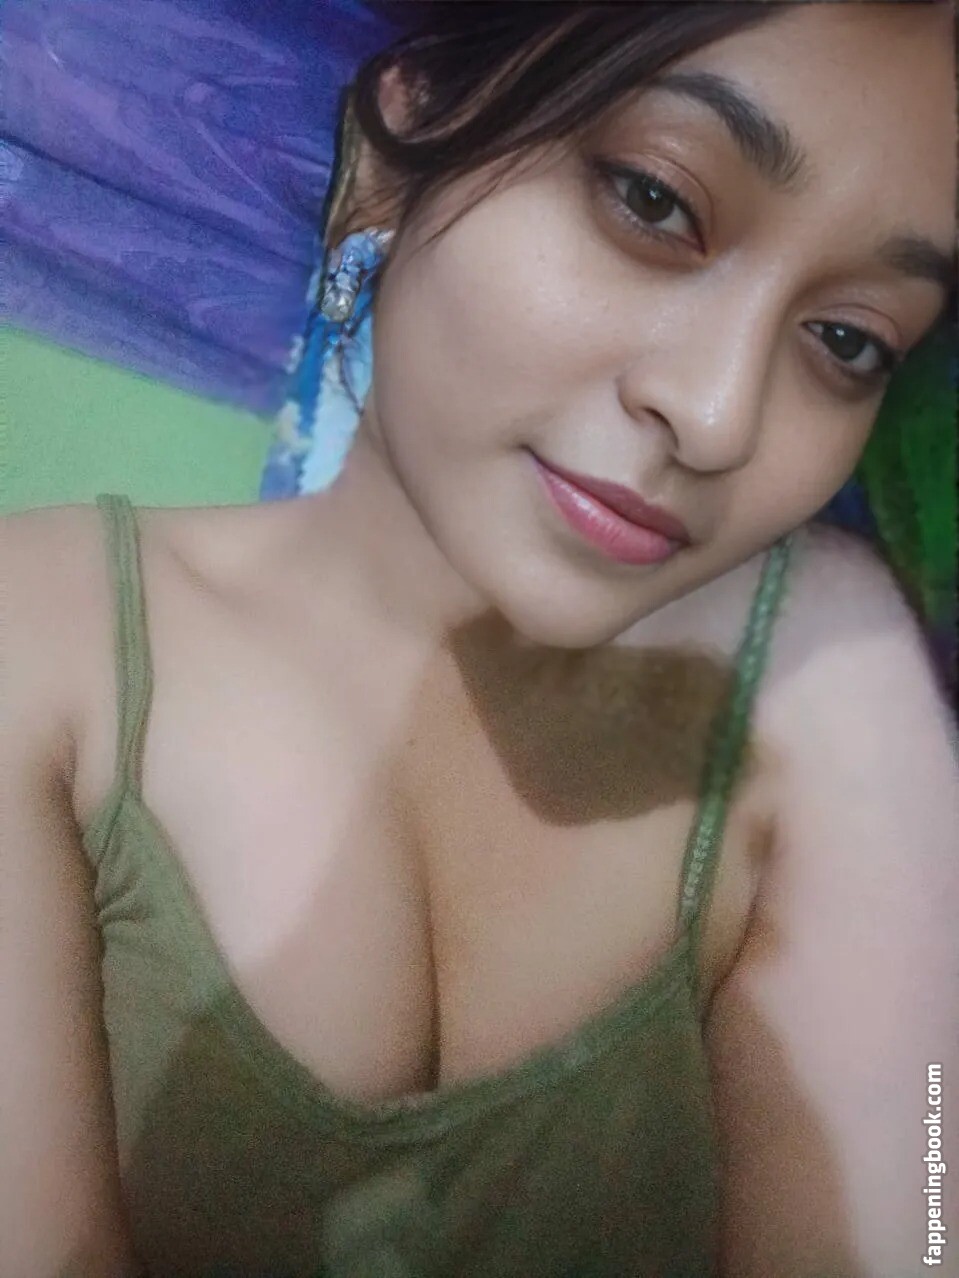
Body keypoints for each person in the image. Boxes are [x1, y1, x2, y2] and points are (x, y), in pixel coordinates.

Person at [3, 2, 957, 1274]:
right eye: (654, 202)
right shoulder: (43, 651)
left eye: (847, 340)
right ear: (397, 152)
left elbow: (922, 1218)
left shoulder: (823, 673)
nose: (718, 414)